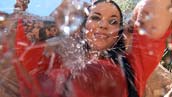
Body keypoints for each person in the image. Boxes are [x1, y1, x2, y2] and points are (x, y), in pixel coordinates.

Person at [14, 0, 172, 97]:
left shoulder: (132, 67)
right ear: (82, 26)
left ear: (118, 33)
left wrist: (138, 11)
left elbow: (158, 9)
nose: (103, 25)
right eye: (96, 17)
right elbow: (20, 36)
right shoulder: (53, 59)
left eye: (113, 21)